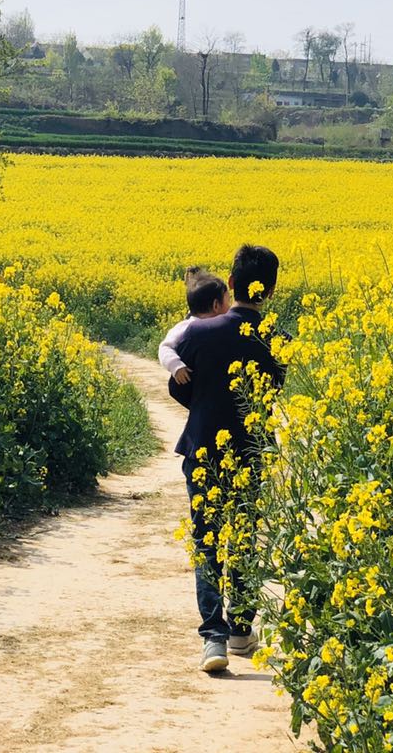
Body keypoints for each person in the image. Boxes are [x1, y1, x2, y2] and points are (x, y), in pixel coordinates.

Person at [169, 245, 284, 674]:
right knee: (244, 536)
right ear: (269, 291)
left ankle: (213, 638)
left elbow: (179, 388)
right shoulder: (277, 338)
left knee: (208, 540)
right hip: (251, 450)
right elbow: (271, 390)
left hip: (202, 448)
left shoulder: (196, 334)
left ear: (231, 283)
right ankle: (241, 629)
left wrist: (205, 405)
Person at [158, 268, 230, 385]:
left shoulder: (222, 326)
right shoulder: (186, 326)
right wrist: (176, 366)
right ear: (216, 305)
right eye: (228, 301)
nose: (230, 306)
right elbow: (165, 347)